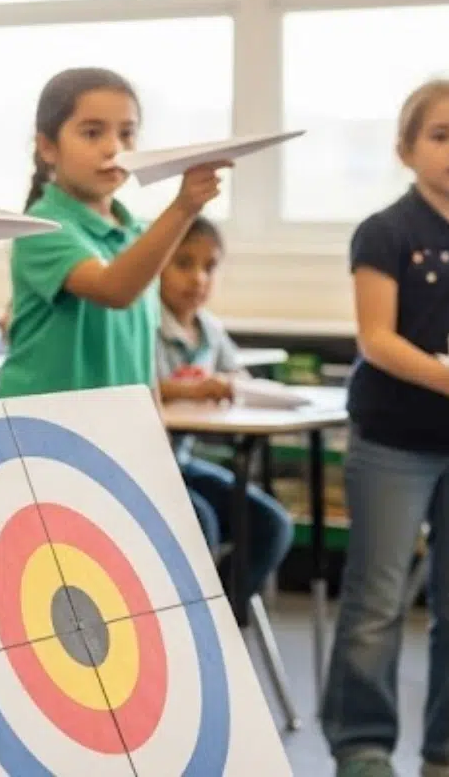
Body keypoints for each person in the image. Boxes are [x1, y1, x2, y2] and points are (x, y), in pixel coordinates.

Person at [322, 80, 449, 777]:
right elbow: (376, 339)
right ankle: (362, 745)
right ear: (407, 149)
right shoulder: (386, 232)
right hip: (393, 444)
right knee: (377, 603)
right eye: (441, 135)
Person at [0, 67, 230, 401]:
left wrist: (153, 433)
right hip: (41, 431)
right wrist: (184, 207)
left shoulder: (138, 234)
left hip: (114, 430)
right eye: (92, 133)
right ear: (47, 147)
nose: (113, 148)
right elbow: (115, 289)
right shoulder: (42, 227)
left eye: (127, 134)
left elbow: (143, 368)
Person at [154, 216, 295, 609]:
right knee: (200, 522)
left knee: (271, 525)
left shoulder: (210, 331)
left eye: (209, 267)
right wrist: (190, 389)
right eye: (183, 264)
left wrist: (230, 382)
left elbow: (237, 376)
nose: (197, 278)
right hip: (146, 465)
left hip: (181, 463)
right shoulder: (142, 323)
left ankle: (220, 621)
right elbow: (136, 387)